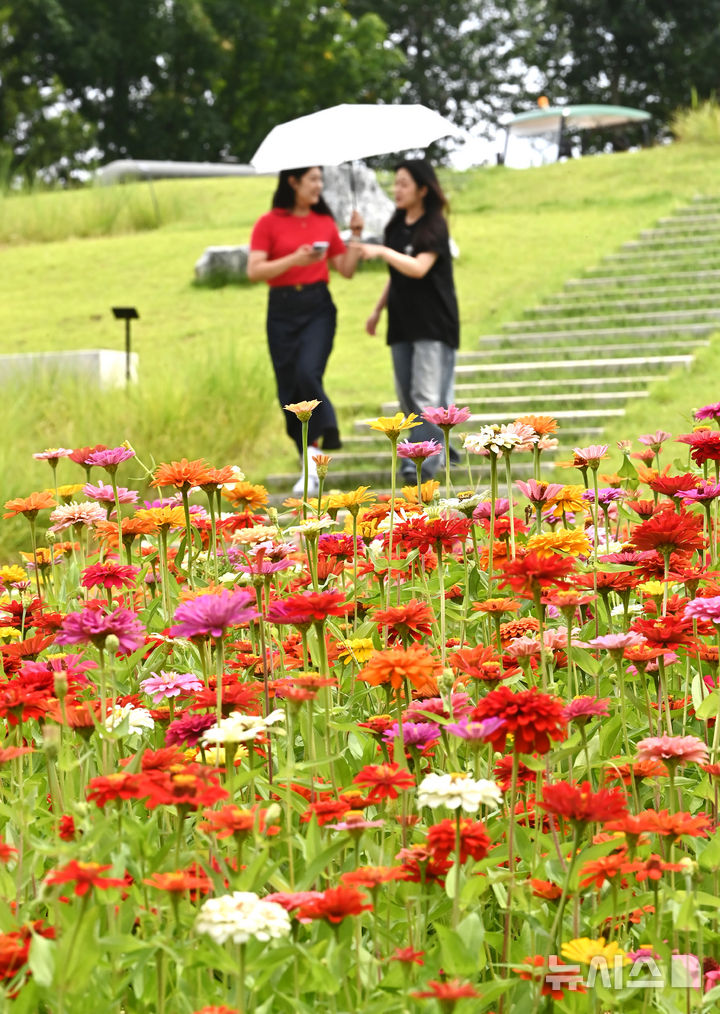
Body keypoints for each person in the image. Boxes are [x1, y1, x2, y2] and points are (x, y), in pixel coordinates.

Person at [247, 166, 363, 495]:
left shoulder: (325, 222)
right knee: (288, 389)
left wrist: (354, 235)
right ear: (293, 182)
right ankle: (309, 459)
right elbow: (255, 271)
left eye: (320, 180)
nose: (319, 185)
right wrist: (293, 260)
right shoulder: (268, 223)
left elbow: (346, 270)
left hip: (318, 308)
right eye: (312, 179)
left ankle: (329, 429)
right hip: (281, 309)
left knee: (307, 373)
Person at [363, 159, 460, 483]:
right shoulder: (395, 226)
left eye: (404, 183)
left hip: (433, 325)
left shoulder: (434, 226)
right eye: (396, 183)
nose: (397, 190)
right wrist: (378, 309)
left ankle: (420, 467)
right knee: (407, 399)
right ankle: (439, 450)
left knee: (426, 398)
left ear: (422, 189)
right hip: (402, 323)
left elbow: (418, 267)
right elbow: (398, 274)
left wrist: (380, 252)